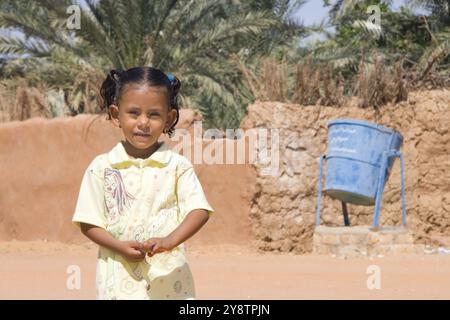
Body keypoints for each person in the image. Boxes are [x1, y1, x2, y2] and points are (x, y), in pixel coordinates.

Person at [72, 67, 214, 300]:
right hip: (118, 282)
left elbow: (199, 211)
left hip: (169, 282)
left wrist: (170, 241)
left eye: (154, 114)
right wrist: (119, 247)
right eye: (134, 113)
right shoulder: (102, 168)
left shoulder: (178, 167)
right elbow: (88, 222)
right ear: (116, 114)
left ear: (168, 118)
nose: (143, 122)